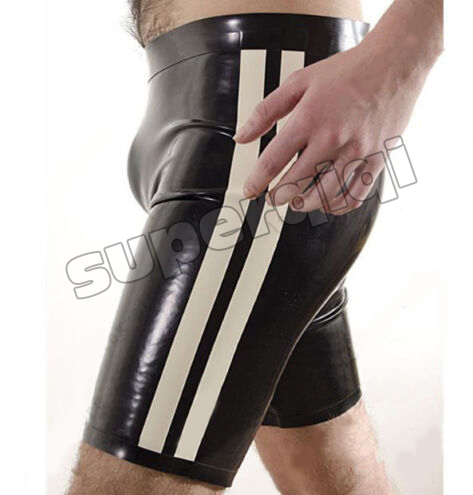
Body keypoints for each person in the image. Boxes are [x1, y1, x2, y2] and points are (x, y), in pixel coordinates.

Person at [67, 1, 442, 494]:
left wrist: (403, 57)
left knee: (130, 481)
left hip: (271, 123)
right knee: (321, 467)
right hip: (191, 93)